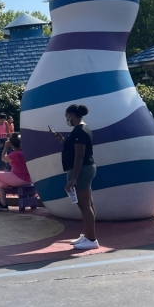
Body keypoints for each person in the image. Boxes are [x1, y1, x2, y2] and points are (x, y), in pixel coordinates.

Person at [51, 104, 98, 250]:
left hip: (81, 170)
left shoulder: (79, 131)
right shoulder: (82, 129)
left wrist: (74, 179)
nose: (67, 119)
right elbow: (73, 148)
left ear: (71, 114)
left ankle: (91, 239)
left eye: (67, 115)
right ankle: (88, 235)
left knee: (84, 205)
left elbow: (79, 155)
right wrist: (61, 140)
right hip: (86, 168)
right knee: (88, 204)